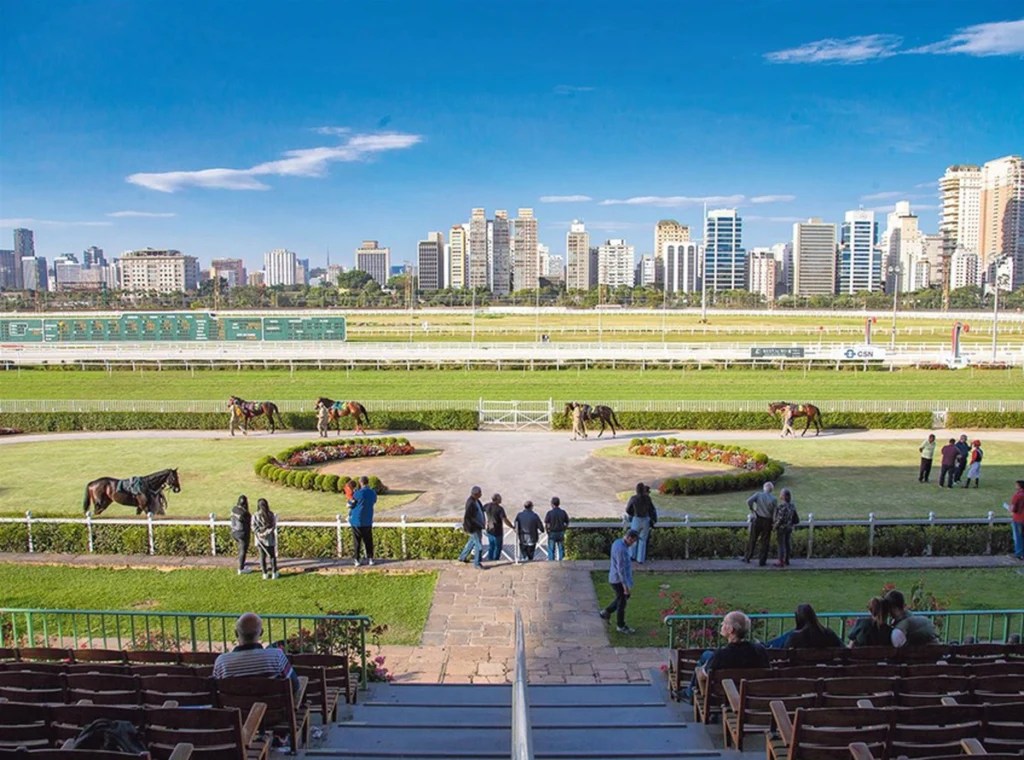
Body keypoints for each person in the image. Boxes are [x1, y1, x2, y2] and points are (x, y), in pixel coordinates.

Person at [684, 610, 769, 702]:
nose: (721, 624)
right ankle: (688, 693)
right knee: (707, 655)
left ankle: (689, 693)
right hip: (754, 696)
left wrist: (701, 669)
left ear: (731, 630)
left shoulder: (721, 655)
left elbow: (702, 677)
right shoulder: (760, 650)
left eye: (724, 623)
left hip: (723, 697)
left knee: (705, 660)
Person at [213, 613, 300, 695]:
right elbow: (294, 686)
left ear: (236, 633)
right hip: (272, 709)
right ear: (261, 632)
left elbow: (217, 691)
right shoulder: (276, 656)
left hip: (235, 709)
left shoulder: (222, 662)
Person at [599, 529, 639, 634]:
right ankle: (620, 625)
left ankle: (606, 612)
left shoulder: (617, 543)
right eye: (633, 541)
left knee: (623, 598)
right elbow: (621, 569)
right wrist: (625, 586)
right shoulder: (621, 550)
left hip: (616, 578)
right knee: (622, 602)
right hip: (618, 580)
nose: (633, 544)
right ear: (629, 538)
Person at [744, 482, 777, 566]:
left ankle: (748, 557)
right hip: (768, 521)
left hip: (758, 518)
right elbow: (774, 513)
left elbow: (748, 501)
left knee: (753, 538)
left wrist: (752, 509)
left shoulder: (758, 495)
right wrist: (773, 523)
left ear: (764, 488)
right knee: (765, 541)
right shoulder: (774, 499)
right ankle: (762, 561)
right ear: (771, 490)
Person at [348, 476, 377, 566]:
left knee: (357, 541)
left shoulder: (357, 494)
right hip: (368, 520)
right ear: (367, 482)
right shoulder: (373, 492)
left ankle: (357, 560)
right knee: (368, 540)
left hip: (357, 520)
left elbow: (350, 504)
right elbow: (374, 501)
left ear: (360, 483)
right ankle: (370, 559)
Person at [626, 482, 655, 564]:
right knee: (643, 540)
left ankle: (632, 555)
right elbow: (652, 509)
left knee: (632, 538)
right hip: (645, 519)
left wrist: (632, 513)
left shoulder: (633, 498)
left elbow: (627, 509)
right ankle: (640, 559)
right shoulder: (647, 498)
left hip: (637, 519)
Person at [458, 486, 486, 568]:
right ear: (476, 494)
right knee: (478, 545)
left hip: (477, 527)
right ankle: (477, 563)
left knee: (471, 542)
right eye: (480, 493)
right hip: (474, 528)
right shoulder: (470, 503)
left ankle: (462, 557)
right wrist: (479, 525)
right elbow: (469, 517)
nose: (481, 494)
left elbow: (481, 510)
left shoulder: (476, 501)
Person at [253, 498, 279, 580]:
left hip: (260, 540)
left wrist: (260, 534)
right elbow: (273, 526)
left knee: (262, 557)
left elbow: (253, 527)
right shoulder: (271, 514)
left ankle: (265, 573)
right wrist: (267, 533)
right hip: (269, 539)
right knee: (272, 556)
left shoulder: (255, 515)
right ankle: (274, 573)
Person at [484, 493, 513, 562]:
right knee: (498, 547)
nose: (501, 500)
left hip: (489, 528)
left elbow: (479, 511)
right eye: (500, 498)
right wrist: (512, 526)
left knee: (491, 546)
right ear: (497, 500)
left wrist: (483, 521)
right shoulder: (499, 509)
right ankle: (495, 560)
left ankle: (490, 559)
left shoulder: (487, 506)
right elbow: (504, 519)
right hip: (497, 530)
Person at [773, 488, 798, 568]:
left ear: (783, 496)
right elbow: (795, 518)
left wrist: (774, 526)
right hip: (789, 527)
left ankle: (780, 561)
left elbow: (780, 519)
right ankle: (786, 560)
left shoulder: (781, 506)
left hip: (781, 528)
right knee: (787, 544)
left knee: (781, 545)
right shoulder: (792, 506)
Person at [230, 495, 252, 575]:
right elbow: (249, 521)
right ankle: (241, 568)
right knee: (243, 550)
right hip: (242, 533)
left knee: (240, 549)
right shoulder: (245, 513)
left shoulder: (234, 509)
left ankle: (241, 562)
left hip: (234, 532)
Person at [544, 496, 570, 562]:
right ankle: (561, 562)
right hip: (561, 532)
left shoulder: (549, 513)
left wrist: (547, 531)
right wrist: (564, 529)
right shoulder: (563, 512)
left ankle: (551, 562)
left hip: (552, 532)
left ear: (552, 504)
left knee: (551, 550)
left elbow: (546, 523)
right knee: (561, 549)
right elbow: (567, 521)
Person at [1007, 480, 1024, 561]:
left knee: (1018, 537)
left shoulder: (1017, 495)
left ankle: (1019, 553)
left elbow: (1013, 508)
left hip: (1018, 518)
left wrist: (1008, 508)